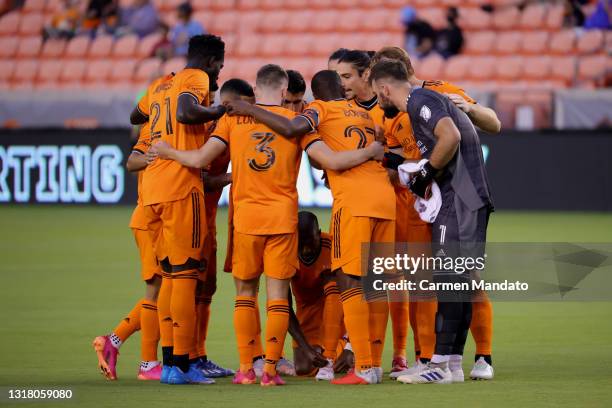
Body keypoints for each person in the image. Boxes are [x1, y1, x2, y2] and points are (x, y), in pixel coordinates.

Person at [151, 64, 384, 386]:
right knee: (277, 297)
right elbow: (330, 161)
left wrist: (166, 150)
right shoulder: (297, 124)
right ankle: (270, 371)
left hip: (246, 217)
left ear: (257, 90)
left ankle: (247, 368)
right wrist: (372, 151)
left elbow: (199, 160)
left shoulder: (232, 119)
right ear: (286, 91)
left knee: (245, 294)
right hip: (282, 218)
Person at [224, 70, 395, 385]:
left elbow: (303, 137)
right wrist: (372, 151)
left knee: (349, 280)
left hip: (351, 202)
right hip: (385, 199)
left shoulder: (318, 112)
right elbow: (328, 156)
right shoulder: (365, 113)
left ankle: (362, 366)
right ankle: (384, 360)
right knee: (378, 282)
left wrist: (248, 110)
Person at [370, 46, 498, 381]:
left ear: (384, 88)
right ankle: (452, 364)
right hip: (467, 199)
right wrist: (418, 170)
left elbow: (451, 136)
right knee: (457, 282)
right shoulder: (425, 101)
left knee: (448, 281)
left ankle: (438, 365)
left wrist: (425, 175)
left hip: (460, 200)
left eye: (375, 93)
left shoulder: (419, 101)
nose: (376, 101)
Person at [129, 34, 226, 385]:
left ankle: (170, 363)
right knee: (186, 278)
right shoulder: (196, 78)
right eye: (220, 65)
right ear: (213, 62)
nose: (219, 73)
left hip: (152, 189)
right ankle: (181, 365)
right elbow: (186, 112)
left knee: (171, 278)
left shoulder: (159, 85)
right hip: (181, 187)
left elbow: (134, 114)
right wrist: (218, 110)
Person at [92, 125, 161, 382]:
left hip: (151, 220)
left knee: (164, 293)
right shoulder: (158, 136)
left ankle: (113, 341)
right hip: (150, 221)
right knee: (156, 294)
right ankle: (147, 364)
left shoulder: (154, 134)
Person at [291, 211, 344, 381]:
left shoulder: (332, 246)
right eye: (302, 243)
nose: (306, 250)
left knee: (336, 360)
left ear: (319, 233)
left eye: (310, 242)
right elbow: (282, 305)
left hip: (336, 310)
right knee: (303, 368)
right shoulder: (286, 251)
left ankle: (341, 346)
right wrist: (306, 349)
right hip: (307, 313)